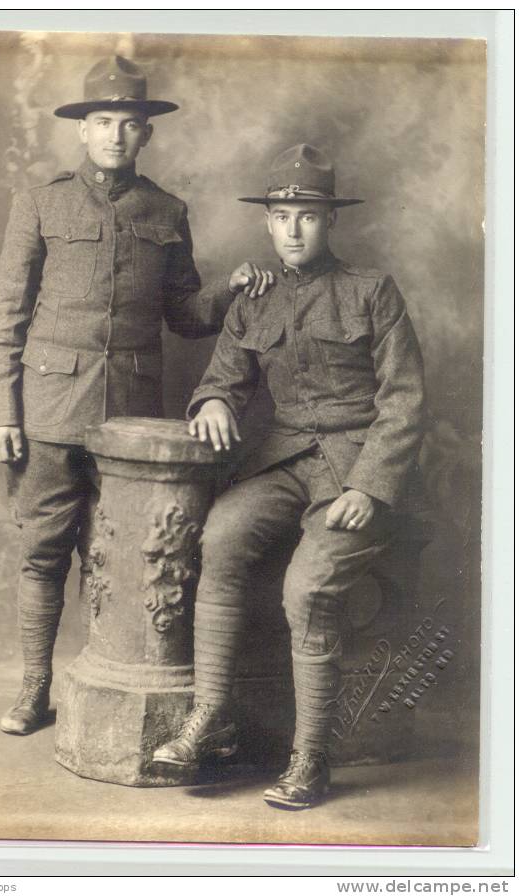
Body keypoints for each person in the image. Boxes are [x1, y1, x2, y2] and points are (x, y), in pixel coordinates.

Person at [0, 55, 274, 737]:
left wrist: (229, 289)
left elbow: (184, 315)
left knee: (118, 555)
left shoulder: (166, 212)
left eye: (129, 124)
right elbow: (4, 317)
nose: (115, 135)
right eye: (102, 121)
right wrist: (1, 412)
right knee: (44, 552)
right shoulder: (42, 202)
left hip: (134, 424)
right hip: (50, 412)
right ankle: (34, 690)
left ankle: (101, 690)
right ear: (82, 131)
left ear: (147, 135)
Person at [152, 143, 426, 810]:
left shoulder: (372, 292)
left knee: (306, 589)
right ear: (268, 224)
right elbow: (224, 377)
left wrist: (368, 486)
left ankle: (310, 759)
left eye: (305, 215)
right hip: (281, 461)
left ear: (329, 221)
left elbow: (404, 400)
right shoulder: (255, 298)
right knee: (217, 537)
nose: (293, 229)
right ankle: (210, 718)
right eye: (280, 216)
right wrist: (213, 400)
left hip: (356, 471)